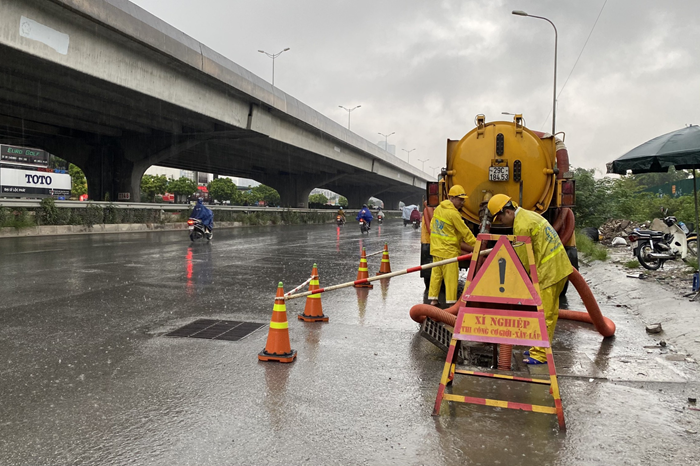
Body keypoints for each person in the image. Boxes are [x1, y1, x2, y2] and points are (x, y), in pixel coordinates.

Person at [487, 194, 573, 365]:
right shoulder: (528, 215)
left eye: (500, 217)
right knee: (549, 313)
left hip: (550, 271)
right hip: (558, 267)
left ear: (508, 211)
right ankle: (539, 347)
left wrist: (510, 286)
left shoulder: (522, 226)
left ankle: (540, 354)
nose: (501, 221)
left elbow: (521, 262)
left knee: (544, 314)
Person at [428, 185, 476, 307]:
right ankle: (451, 304)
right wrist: (477, 245)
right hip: (449, 251)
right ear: (452, 198)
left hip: (436, 249)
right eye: (460, 199)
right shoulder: (453, 214)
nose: (463, 202)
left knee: (436, 276)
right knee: (451, 279)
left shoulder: (439, 208)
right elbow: (465, 232)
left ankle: (433, 300)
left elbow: (433, 225)